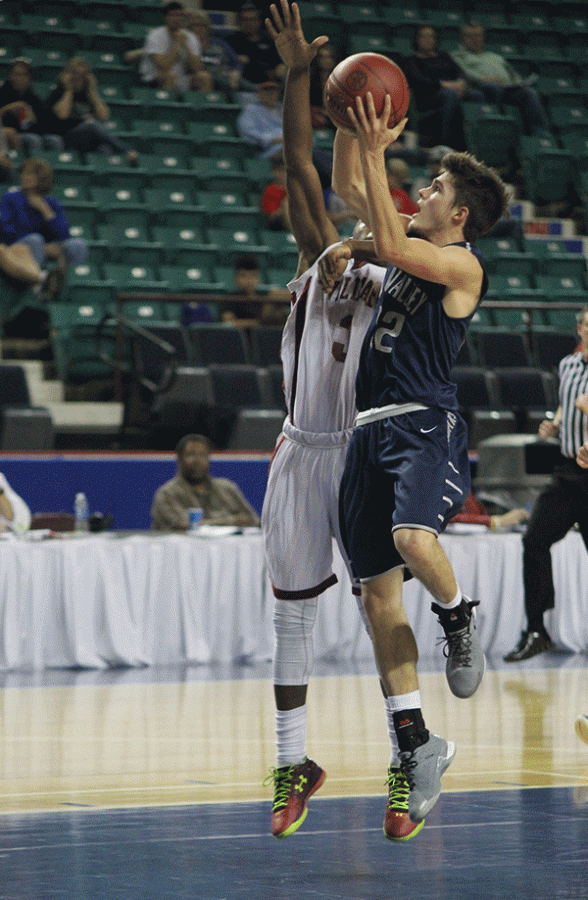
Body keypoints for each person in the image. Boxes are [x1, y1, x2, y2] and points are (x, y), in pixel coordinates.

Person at [318, 101, 509, 823]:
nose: (422, 193)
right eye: (422, 185)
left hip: (423, 423)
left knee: (411, 540)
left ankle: (458, 618)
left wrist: (377, 147)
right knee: (376, 601)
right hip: (365, 432)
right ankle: (415, 742)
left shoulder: (460, 264)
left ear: (459, 216)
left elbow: (394, 247)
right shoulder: (401, 240)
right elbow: (347, 186)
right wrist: (346, 116)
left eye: (434, 189)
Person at [261, 2, 423, 844]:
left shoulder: (404, 277)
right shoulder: (322, 254)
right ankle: (293, 763)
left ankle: (409, 757)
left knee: (377, 609)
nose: (364, 218)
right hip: (299, 451)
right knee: (291, 616)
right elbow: (299, 164)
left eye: (380, 214)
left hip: (361, 453)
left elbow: (377, 206)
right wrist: (299, 75)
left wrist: (371, 147)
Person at [504, 307, 588, 661]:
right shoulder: (569, 365)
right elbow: (569, 405)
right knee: (535, 540)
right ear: (580, 328)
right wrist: (555, 424)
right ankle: (537, 629)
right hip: (569, 471)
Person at [0, 158, 89, 298]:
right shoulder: (10, 199)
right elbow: (6, 230)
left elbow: (64, 235)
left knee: (77, 245)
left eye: (31, 174)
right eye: (24, 173)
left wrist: (46, 212)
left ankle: (70, 289)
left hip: (46, 246)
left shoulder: (50, 203)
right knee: (35, 240)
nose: (25, 177)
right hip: (19, 247)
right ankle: (37, 287)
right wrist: (44, 246)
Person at [451, 22, 550, 137]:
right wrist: (482, 79)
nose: (475, 39)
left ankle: (539, 133)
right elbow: (463, 73)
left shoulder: (495, 56)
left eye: (478, 35)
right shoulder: (457, 56)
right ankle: (499, 128)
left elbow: (513, 74)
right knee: (491, 87)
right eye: (470, 36)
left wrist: (519, 83)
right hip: (482, 87)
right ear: (462, 38)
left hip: (508, 88)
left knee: (529, 93)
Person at [151, 433, 260, 531]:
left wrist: (207, 523)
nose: (197, 461)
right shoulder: (167, 493)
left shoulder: (227, 488)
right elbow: (183, 524)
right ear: (179, 460)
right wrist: (232, 521)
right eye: (190, 455)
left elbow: (253, 520)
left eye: (203, 455)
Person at [403, 24, 483, 150]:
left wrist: (461, 83)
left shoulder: (444, 56)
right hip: (428, 98)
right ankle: (444, 143)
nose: (429, 40)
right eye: (425, 37)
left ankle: (479, 139)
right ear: (417, 39)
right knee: (449, 96)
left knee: (478, 95)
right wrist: (443, 85)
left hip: (452, 92)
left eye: (432, 37)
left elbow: (460, 73)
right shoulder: (411, 60)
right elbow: (418, 81)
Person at [48, 57, 138, 163]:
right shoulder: (59, 92)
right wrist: (69, 89)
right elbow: (62, 115)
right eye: (75, 74)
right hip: (65, 138)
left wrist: (92, 91)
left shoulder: (88, 94)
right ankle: (126, 150)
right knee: (92, 125)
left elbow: (104, 116)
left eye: (82, 75)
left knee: (105, 149)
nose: (78, 78)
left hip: (87, 140)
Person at [186, 9, 257, 97]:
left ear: (208, 28)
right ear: (189, 28)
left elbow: (236, 62)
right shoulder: (188, 46)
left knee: (255, 89)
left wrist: (236, 73)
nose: (199, 28)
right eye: (195, 25)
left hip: (227, 76)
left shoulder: (220, 43)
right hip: (209, 78)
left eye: (202, 25)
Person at [138, 1, 204, 94]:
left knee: (204, 77)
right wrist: (177, 44)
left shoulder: (191, 37)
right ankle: (167, 106)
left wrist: (185, 46)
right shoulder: (155, 35)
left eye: (180, 15)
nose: (176, 19)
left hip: (181, 78)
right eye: (173, 15)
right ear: (165, 18)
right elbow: (164, 67)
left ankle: (203, 106)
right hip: (155, 78)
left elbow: (197, 68)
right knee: (169, 75)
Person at [0, 59, 62, 157]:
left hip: (30, 133)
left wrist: (34, 119)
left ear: (29, 78)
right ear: (10, 76)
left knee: (54, 140)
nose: (20, 78)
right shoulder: (2, 93)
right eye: (17, 74)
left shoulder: (33, 98)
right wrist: (8, 109)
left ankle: (55, 166)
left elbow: (46, 127)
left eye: (24, 75)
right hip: (9, 135)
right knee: (33, 139)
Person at [226, 3, 285, 88]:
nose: (249, 23)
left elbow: (279, 62)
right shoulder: (232, 40)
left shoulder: (269, 41)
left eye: (253, 20)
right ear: (239, 22)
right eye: (245, 20)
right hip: (245, 83)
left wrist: (281, 67)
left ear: (259, 21)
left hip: (271, 83)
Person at [221, 253, 290, 325]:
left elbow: (293, 296)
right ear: (235, 279)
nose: (249, 280)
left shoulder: (265, 295)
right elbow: (228, 323)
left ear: (258, 278)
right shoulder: (230, 298)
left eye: (253, 275)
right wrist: (260, 323)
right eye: (243, 276)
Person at [237, 77, 285, 160]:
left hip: (291, 146)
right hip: (268, 151)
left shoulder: (284, 109)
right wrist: (273, 139)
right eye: (267, 91)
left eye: (273, 91)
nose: (270, 94)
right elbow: (247, 132)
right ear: (259, 93)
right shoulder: (251, 110)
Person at [260, 152, 289, 231]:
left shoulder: (299, 189)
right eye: (282, 170)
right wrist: (284, 206)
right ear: (274, 172)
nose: (285, 174)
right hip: (279, 226)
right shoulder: (271, 190)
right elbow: (271, 217)